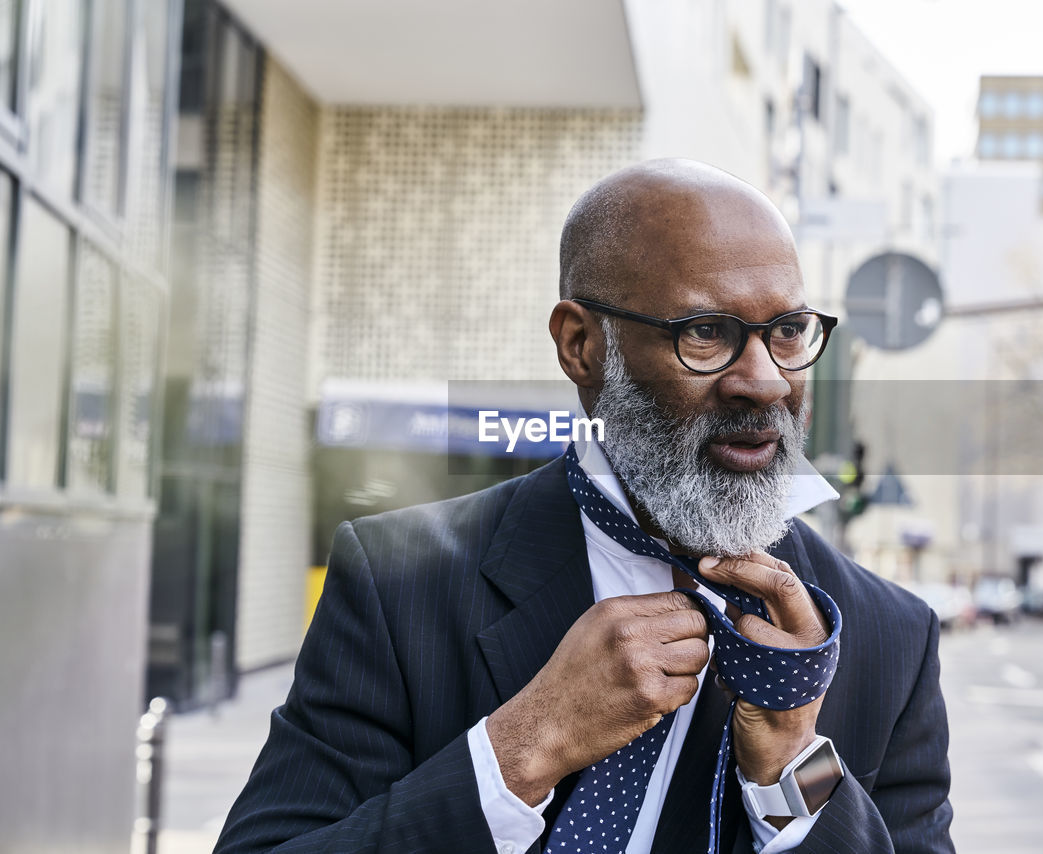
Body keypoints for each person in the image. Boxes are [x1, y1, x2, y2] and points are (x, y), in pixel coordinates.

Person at [215, 159, 953, 854]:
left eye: (787, 332)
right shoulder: (399, 582)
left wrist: (794, 766)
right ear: (581, 345)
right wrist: (523, 748)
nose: (763, 381)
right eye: (705, 333)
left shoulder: (888, 636)